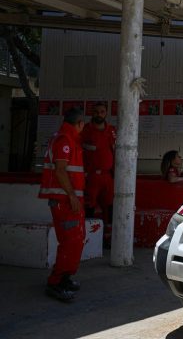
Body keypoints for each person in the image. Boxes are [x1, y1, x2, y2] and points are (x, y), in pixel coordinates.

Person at [39, 107, 86, 302]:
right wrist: (72, 196)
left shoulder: (66, 139)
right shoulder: (64, 140)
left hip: (68, 200)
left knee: (76, 239)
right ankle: (55, 282)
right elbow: (60, 171)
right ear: (79, 124)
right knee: (70, 241)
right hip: (64, 201)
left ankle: (65, 277)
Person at [81, 102, 116, 230]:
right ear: (92, 113)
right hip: (91, 176)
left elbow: (116, 152)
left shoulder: (111, 130)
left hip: (108, 176)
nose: (99, 114)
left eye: (102, 112)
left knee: (109, 206)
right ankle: (88, 237)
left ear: (106, 113)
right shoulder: (85, 130)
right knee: (89, 205)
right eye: (96, 112)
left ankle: (108, 237)